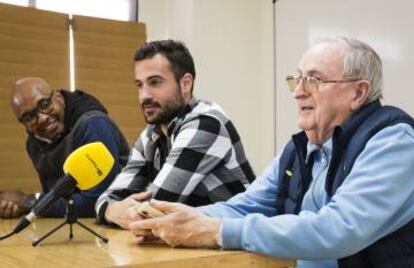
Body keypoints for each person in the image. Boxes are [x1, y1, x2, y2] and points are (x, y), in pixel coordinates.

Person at [128, 37, 414, 268]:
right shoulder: (300, 146)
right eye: (297, 79)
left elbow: (339, 228)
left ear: (358, 93)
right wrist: (172, 220)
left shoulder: (394, 141)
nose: (298, 92)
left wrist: (216, 231)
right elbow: (246, 206)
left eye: (313, 80)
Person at [96, 40, 255, 229]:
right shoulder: (150, 135)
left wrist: (115, 210)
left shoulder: (206, 124)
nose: (144, 96)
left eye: (155, 82)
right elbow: (110, 197)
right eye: (139, 85)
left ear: (185, 83)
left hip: (238, 245)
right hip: (192, 241)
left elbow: (156, 208)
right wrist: (110, 210)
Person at [0, 77, 129, 218]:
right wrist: (21, 207)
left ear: (59, 97)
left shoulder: (93, 125)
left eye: (44, 104)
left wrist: (30, 201)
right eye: (29, 117)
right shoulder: (34, 143)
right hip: (72, 227)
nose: (42, 118)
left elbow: (100, 202)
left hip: (121, 222)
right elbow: (58, 195)